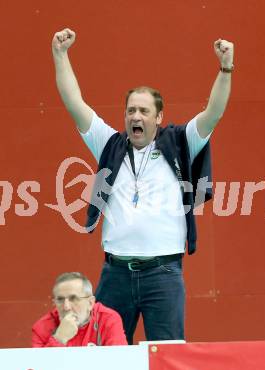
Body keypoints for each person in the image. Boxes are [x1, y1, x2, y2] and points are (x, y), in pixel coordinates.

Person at [51, 28, 234, 344]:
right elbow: (74, 102)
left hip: (163, 276)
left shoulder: (180, 142)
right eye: (130, 110)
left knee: (168, 358)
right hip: (115, 274)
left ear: (158, 116)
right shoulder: (109, 144)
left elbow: (213, 113)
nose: (136, 116)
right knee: (104, 359)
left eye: (144, 111)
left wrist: (225, 68)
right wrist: (60, 54)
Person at [32, 272, 127, 347]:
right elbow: (40, 369)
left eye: (73, 299)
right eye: (60, 299)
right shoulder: (42, 327)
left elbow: (118, 364)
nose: (66, 307)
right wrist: (59, 338)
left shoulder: (108, 319)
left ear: (90, 303)